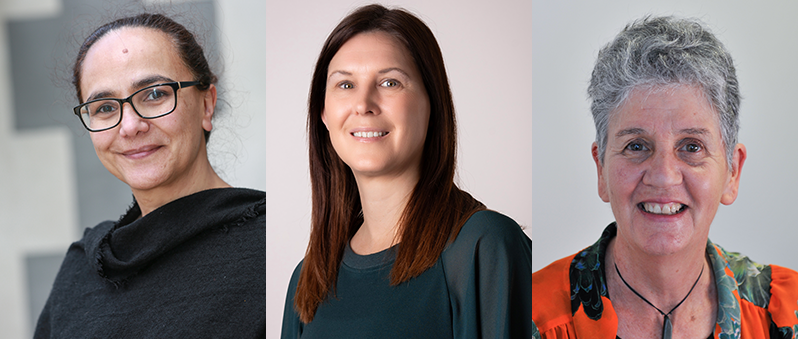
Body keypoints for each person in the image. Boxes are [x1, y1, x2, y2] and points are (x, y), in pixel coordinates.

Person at [532, 16, 798, 339]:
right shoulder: (530, 313)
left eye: (691, 147)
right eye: (636, 146)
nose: (663, 177)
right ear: (601, 169)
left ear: (732, 171)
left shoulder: (786, 312)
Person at [280, 4, 531, 338]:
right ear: (323, 113)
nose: (364, 103)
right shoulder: (308, 279)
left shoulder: (484, 247)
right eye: (345, 85)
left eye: (390, 82)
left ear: (432, 104)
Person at [34, 13, 265, 338]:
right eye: (105, 108)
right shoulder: (80, 273)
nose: (130, 126)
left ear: (207, 105)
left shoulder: (270, 251)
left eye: (155, 94)